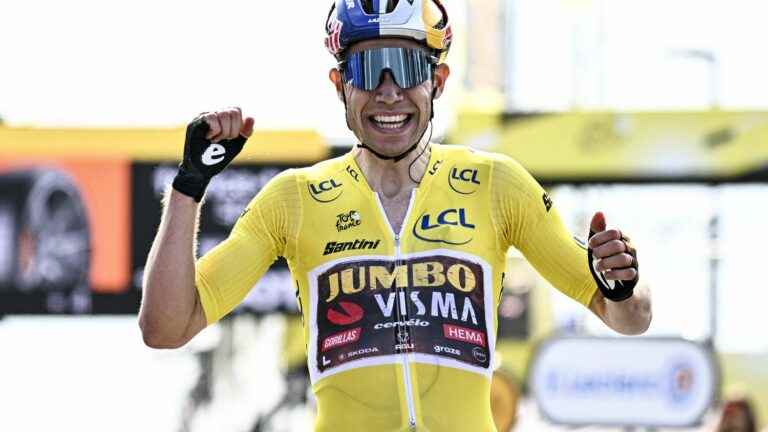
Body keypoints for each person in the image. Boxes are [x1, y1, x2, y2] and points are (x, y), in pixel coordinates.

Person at [138, 0, 652, 430]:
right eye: (367, 70)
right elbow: (164, 328)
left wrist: (621, 286)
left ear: (439, 81)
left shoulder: (497, 184)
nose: (388, 91)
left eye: (406, 69)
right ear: (340, 83)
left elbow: (630, 320)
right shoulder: (294, 197)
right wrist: (187, 188)